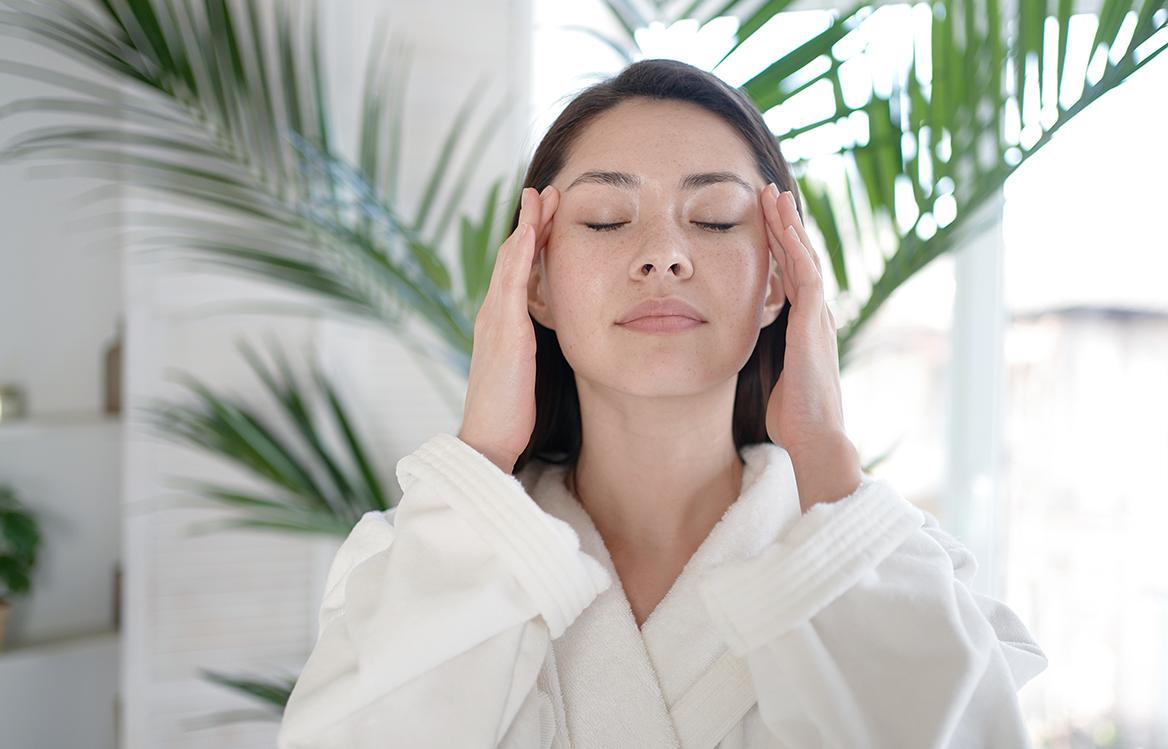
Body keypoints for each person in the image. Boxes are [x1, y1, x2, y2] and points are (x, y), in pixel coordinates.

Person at [277, 58, 1047, 748]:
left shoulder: (904, 580)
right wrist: (482, 452)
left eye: (714, 219)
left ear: (779, 277)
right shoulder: (408, 566)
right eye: (606, 220)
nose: (664, 252)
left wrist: (824, 453)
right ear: (534, 280)